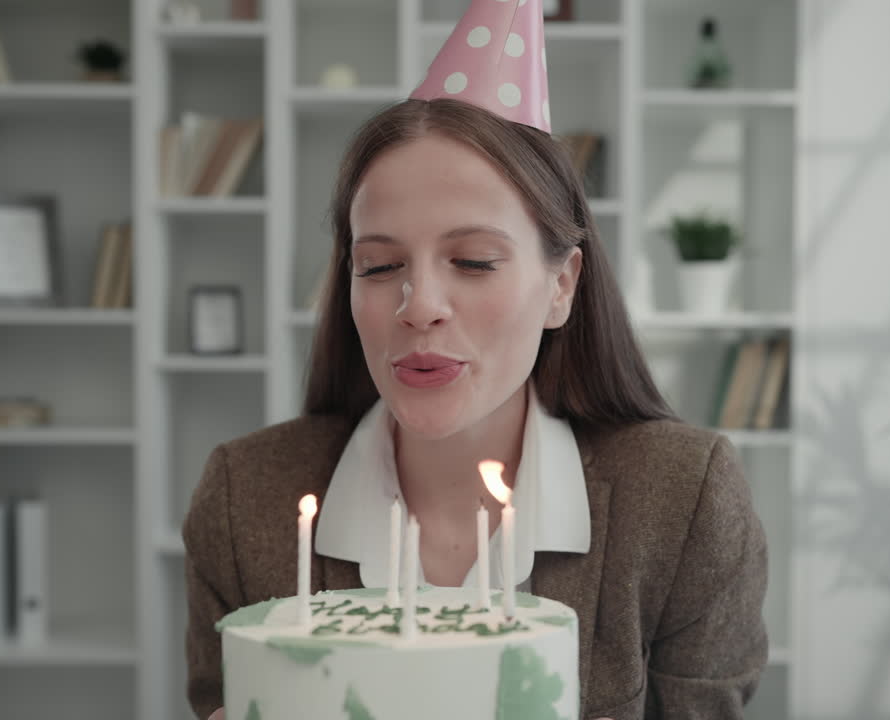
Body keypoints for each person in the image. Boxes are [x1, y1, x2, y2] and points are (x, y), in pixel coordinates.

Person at [183, 3, 767, 719]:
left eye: (473, 260)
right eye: (379, 265)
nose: (418, 303)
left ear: (562, 286)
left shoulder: (684, 503)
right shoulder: (245, 502)